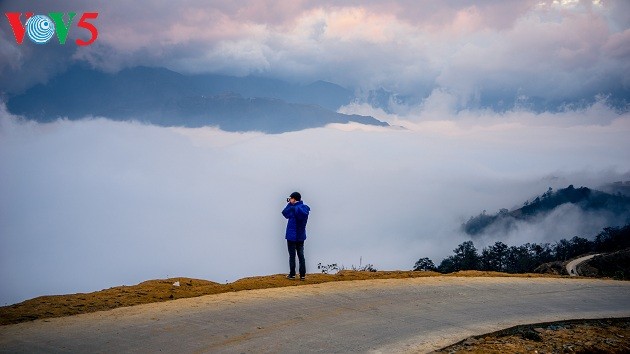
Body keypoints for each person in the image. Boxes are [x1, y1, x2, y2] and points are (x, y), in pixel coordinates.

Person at [282, 191, 310, 280]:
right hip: (301, 235)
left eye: (291, 198)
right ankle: (302, 275)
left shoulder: (292, 208)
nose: (289, 200)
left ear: (294, 199)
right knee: (301, 255)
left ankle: (292, 274)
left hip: (291, 236)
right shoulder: (305, 209)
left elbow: (284, 213)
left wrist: (290, 205)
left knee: (292, 256)